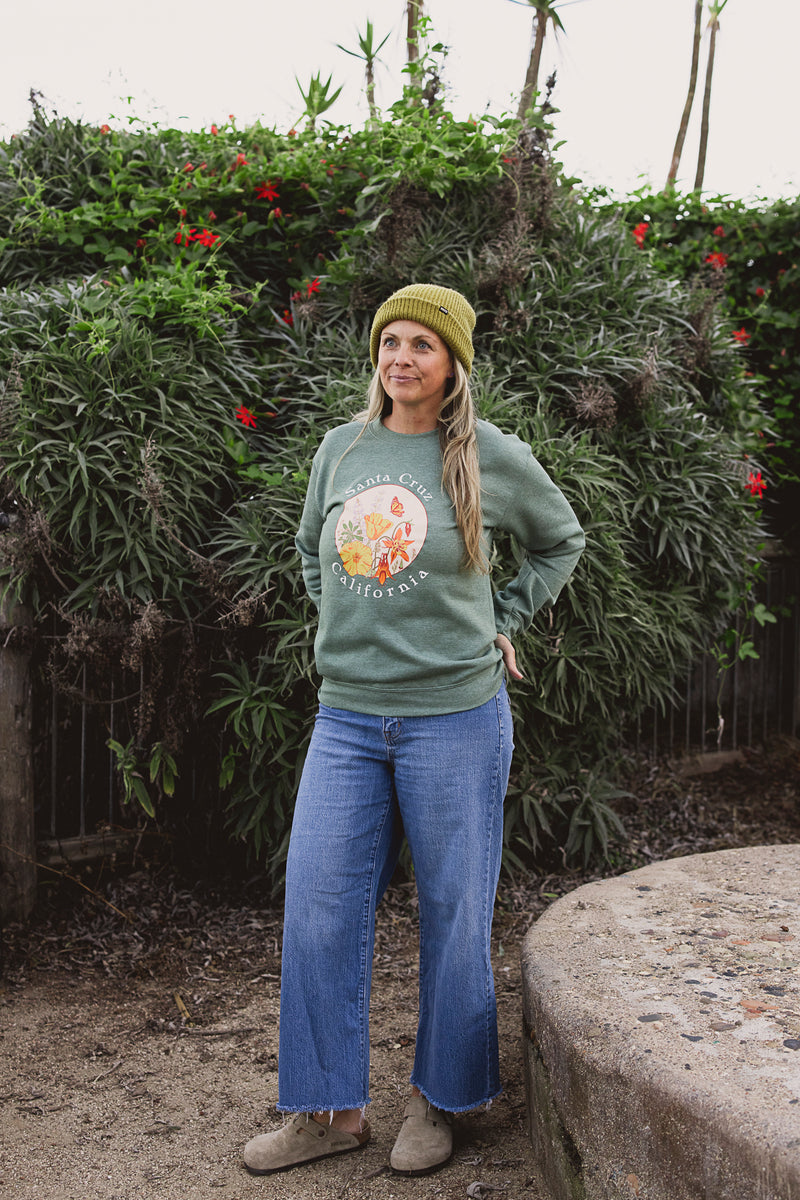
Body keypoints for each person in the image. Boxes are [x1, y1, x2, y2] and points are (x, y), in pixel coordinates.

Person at [243, 283, 585, 1177]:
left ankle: (442, 1101)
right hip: (347, 717)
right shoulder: (340, 449)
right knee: (318, 906)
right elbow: (310, 549)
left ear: (452, 365)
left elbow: (561, 539)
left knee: (453, 909)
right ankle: (327, 1112)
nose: (401, 358)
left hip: (454, 719)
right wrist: (343, 632)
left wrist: (502, 616)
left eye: (421, 346)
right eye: (389, 342)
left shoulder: (487, 455)